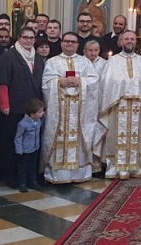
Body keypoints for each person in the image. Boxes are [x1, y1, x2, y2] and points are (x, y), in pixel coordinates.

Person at [42, 32, 99, 183]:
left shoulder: (85, 62)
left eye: (73, 42)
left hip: (79, 111)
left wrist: (80, 81)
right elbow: (45, 84)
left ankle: (78, 174)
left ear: (77, 45)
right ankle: (59, 175)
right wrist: (59, 82)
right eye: (66, 41)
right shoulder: (52, 62)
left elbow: (94, 82)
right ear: (61, 43)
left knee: (78, 139)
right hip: (60, 110)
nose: (69, 44)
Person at [94, 31, 141, 178]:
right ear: (120, 41)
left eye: (132, 39)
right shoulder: (112, 61)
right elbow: (106, 85)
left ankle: (135, 167)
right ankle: (117, 167)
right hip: (117, 107)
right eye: (126, 38)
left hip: (137, 107)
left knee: (137, 136)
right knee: (116, 137)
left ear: (135, 42)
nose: (129, 41)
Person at [0, 27, 44, 188]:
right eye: (25, 37)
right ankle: (11, 177)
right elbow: (2, 83)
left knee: (30, 145)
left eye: (32, 38)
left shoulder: (37, 58)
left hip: (33, 110)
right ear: (19, 38)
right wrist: (4, 104)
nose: (28, 41)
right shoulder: (8, 56)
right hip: (14, 108)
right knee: (12, 144)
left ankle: (28, 177)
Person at [14, 99, 44, 192]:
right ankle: (22, 183)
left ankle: (33, 182)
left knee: (32, 166)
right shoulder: (23, 124)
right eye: (40, 112)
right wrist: (19, 150)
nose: (42, 113)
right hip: (24, 150)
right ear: (32, 114)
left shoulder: (38, 121)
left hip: (34, 148)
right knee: (23, 167)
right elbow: (18, 137)